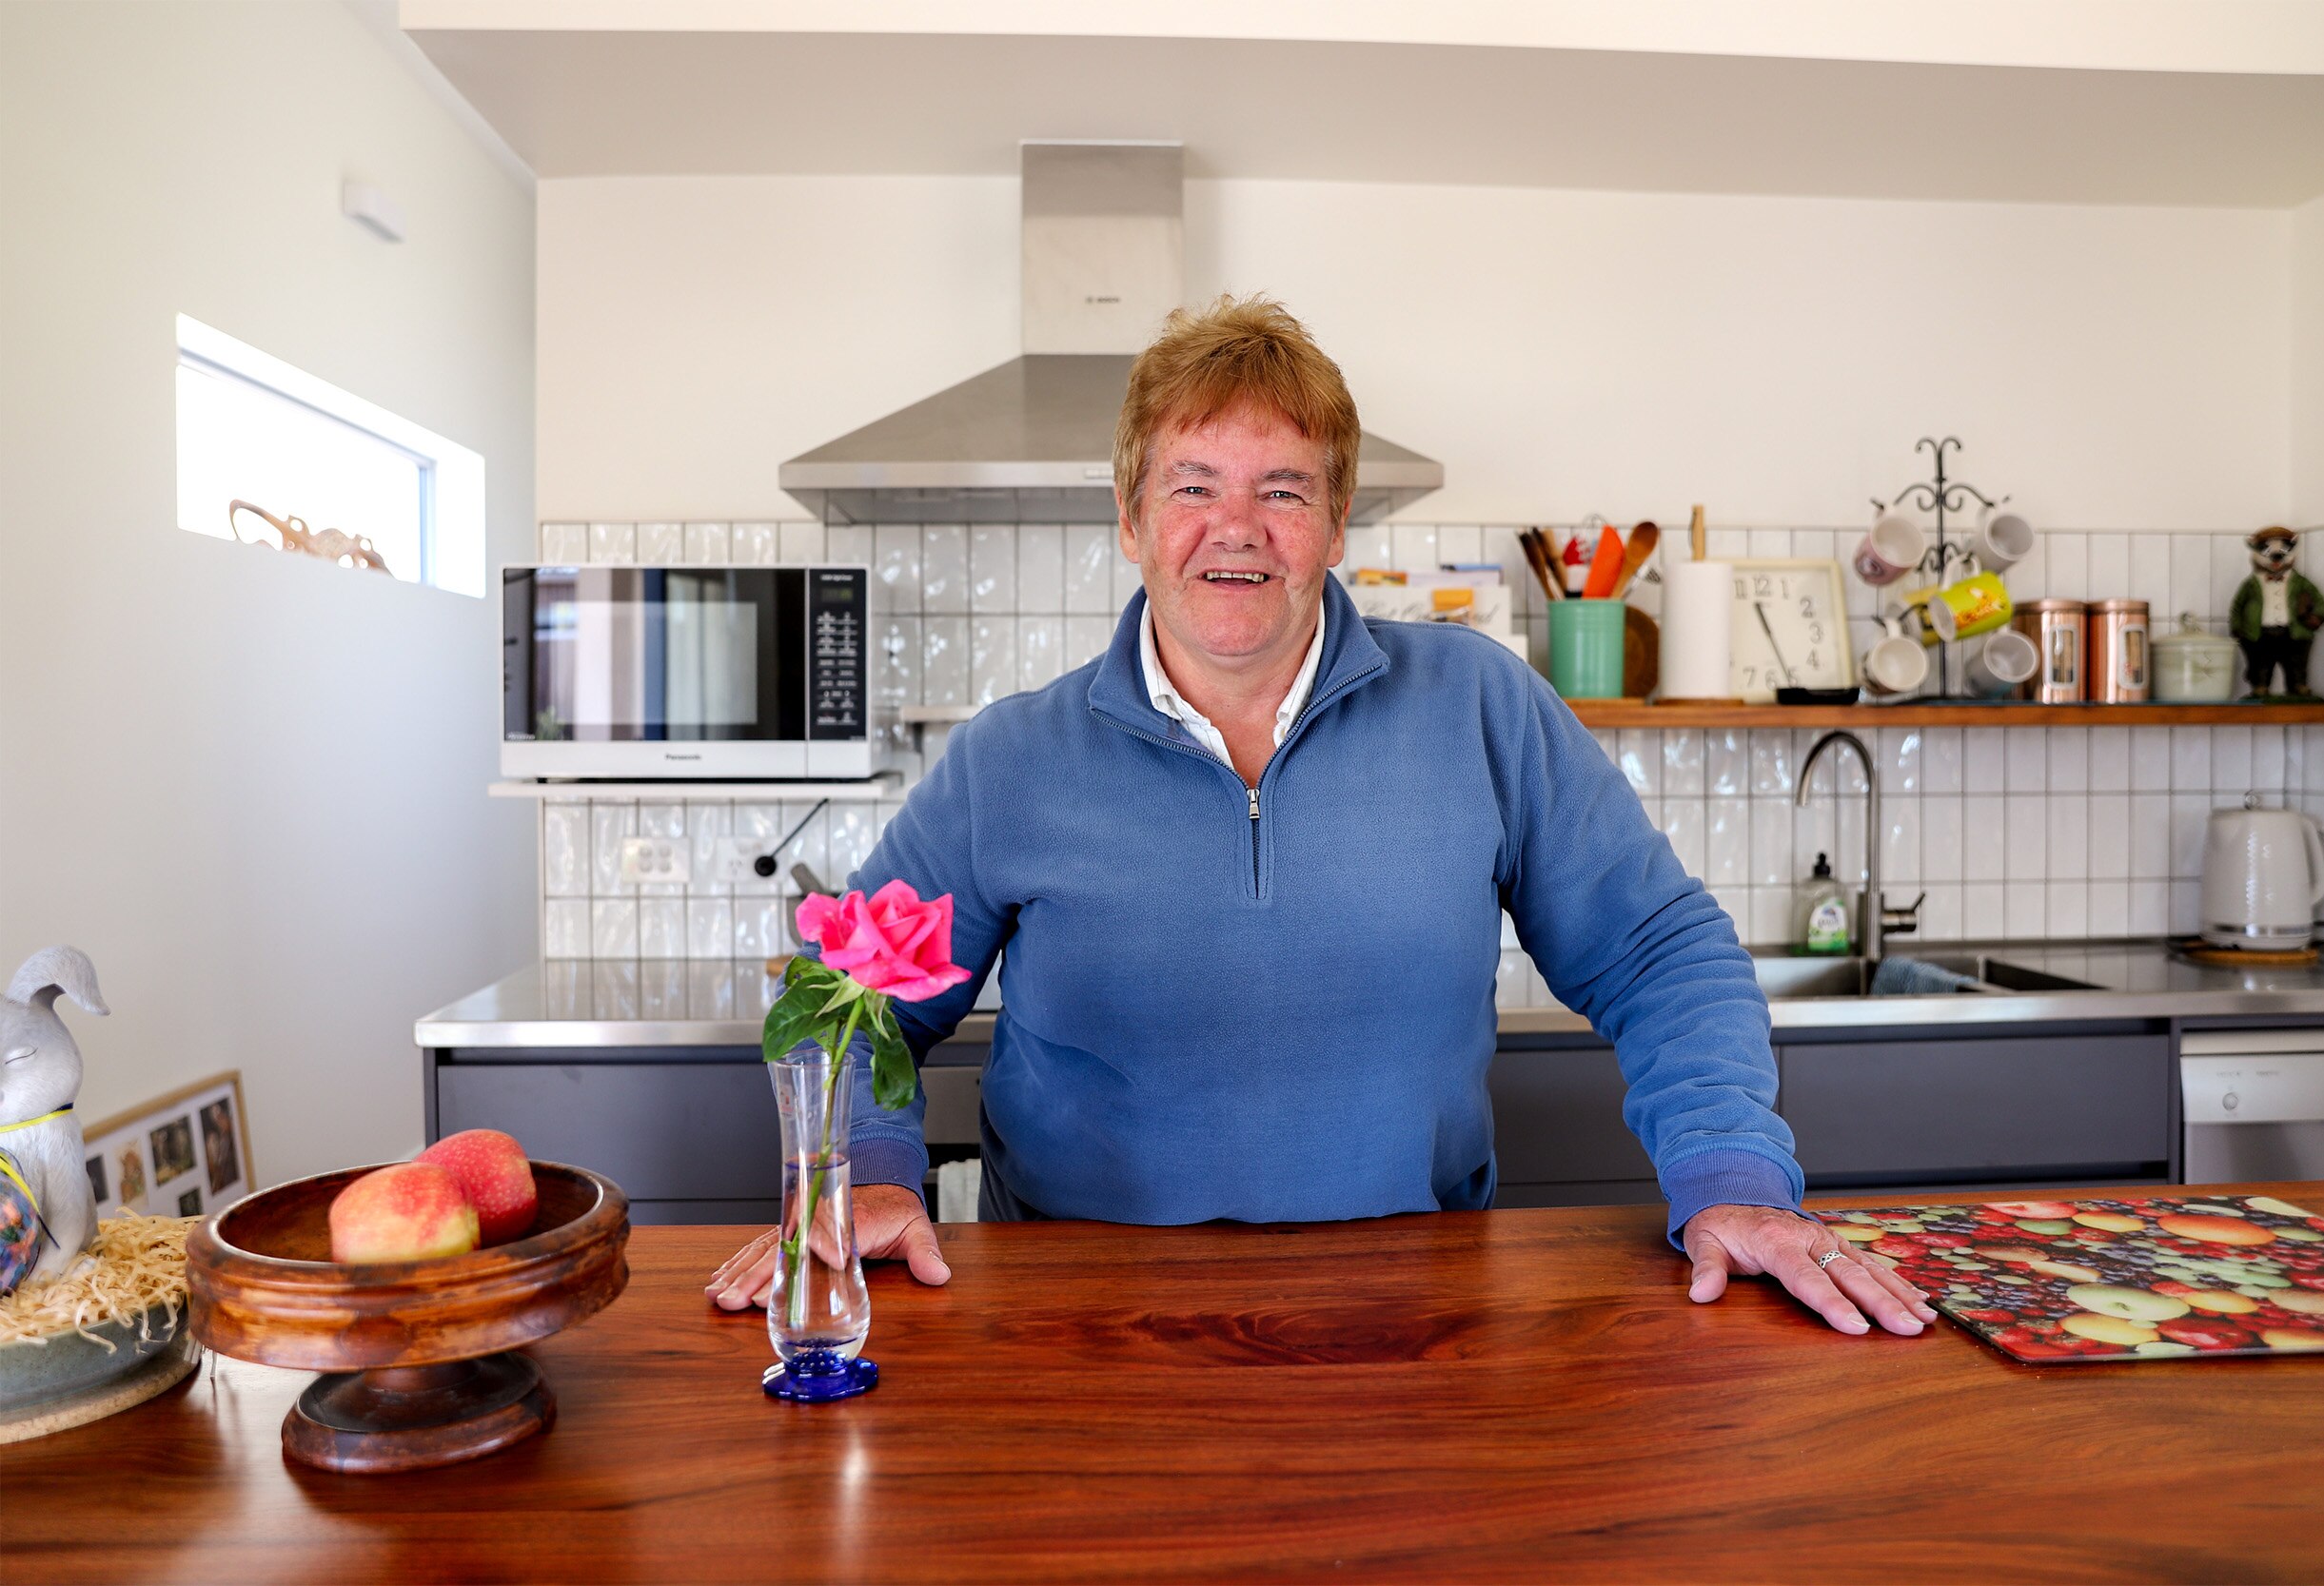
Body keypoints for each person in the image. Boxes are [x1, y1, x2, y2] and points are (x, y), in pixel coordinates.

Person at [710, 297, 1933, 1338]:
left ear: (1337, 525)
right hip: (1073, 1319)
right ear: (1131, 521)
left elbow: (1658, 949)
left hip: (1417, 1314)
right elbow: (837, 995)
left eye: (1281, 490)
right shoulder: (1008, 760)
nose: (1235, 527)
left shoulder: (1480, 705)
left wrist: (1732, 1175)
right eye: (1191, 485)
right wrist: (862, 1170)